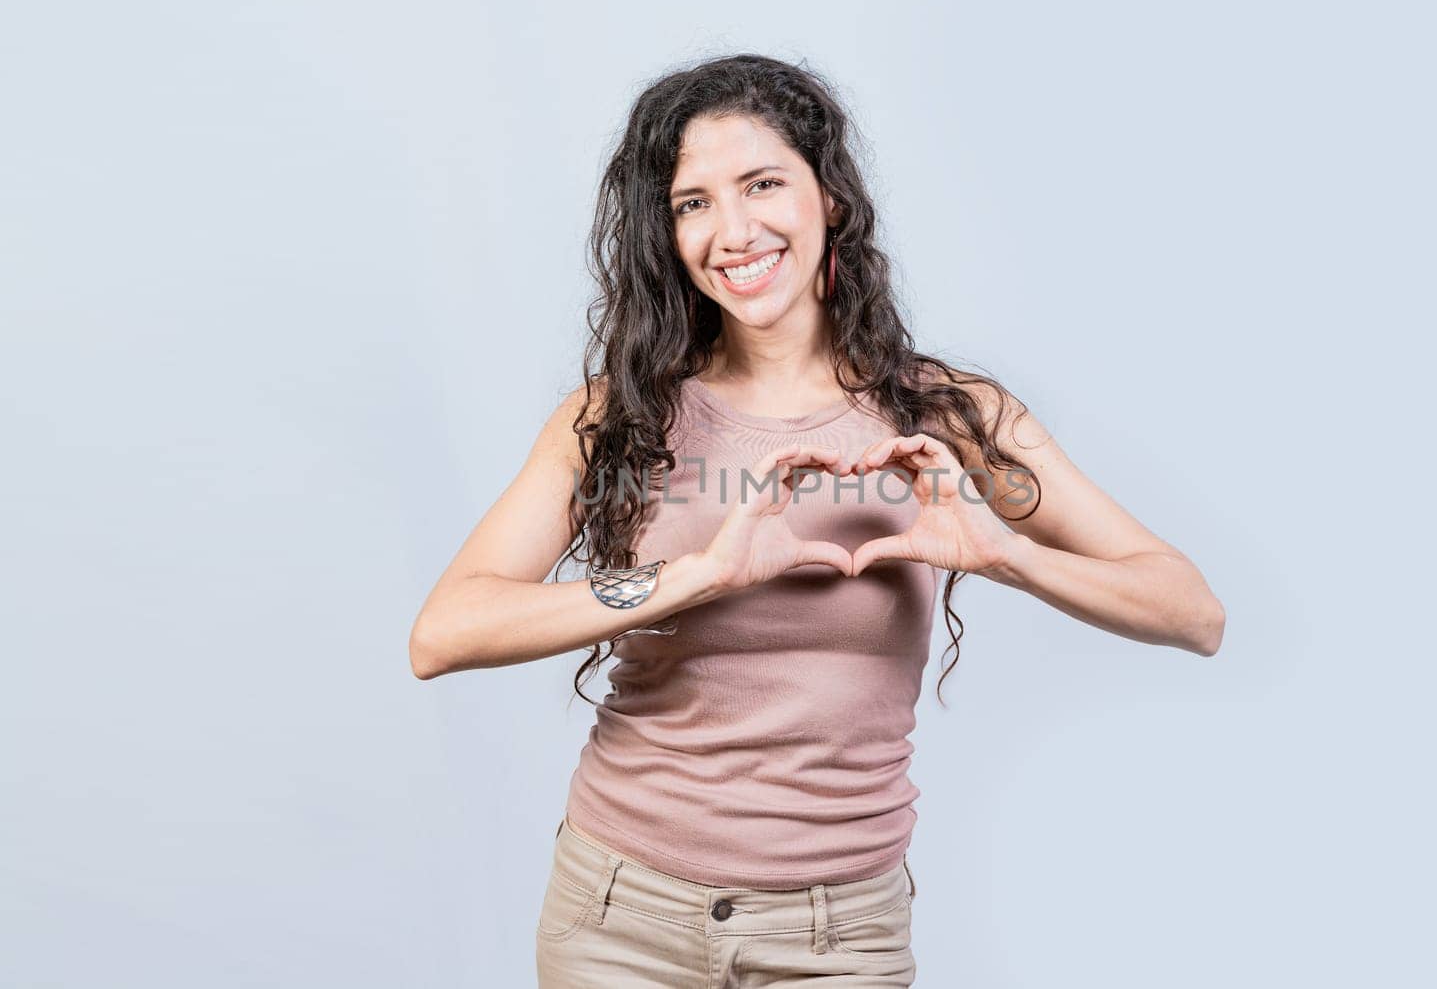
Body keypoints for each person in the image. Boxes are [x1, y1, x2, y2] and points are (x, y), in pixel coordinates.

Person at [409, 53, 1225, 988]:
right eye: (693, 203)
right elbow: (445, 631)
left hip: (839, 936)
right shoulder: (617, 415)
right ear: (665, 233)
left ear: (829, 197)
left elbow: (1192, 612)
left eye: (763, 184)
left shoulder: (949, 414)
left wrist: (1005, 553)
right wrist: (700, 574)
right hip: (617, 918)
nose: (734, 230)